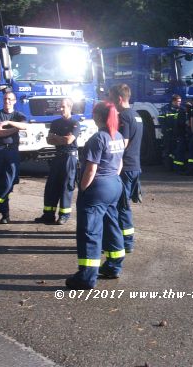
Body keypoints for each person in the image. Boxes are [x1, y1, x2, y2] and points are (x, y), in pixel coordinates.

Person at [65, 101, 125, 290]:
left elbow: (90, 169)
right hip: (114, 185)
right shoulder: (117, 136)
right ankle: (114, 266)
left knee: (89, 232)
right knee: (112, 225)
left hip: (97, 188)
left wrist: (83, 189)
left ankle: (86, 277)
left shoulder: (97, 139)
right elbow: (120, 164)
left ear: (98, 116)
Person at [109, 84, 143, 254]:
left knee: (122, 206)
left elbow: (123, 143)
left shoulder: (123, 117)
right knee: (124, 204)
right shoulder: (137, 115)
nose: (110, 102)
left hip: (125, 166)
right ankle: (124, 238)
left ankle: (127, 241)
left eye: (111, 98)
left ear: (119, 99)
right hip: (135, 166)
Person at [0, 90, 27, 224]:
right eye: (5, 99)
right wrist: (16, 128)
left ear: (14, 101)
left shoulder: (18, 115)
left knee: (9, 182)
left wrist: (10, 123)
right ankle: (5, 214)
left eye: (9, 99)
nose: (7, 101)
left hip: (12, 151)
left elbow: (25, 126)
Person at [36, 98, 80, 225]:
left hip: (69, 157)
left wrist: (57, 138)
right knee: (51, 186)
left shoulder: (75, 123)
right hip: (57, 156)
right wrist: (60, 138)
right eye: (60, 107)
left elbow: (69, 141)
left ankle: (64, 215)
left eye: (63, 107)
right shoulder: (55, 123)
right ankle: (48, 215)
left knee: (66, 186)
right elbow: (49, 140)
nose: (60, 109)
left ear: (69, 108)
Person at [159, 94, 181, 170]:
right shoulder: (165, 109)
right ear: (173, 101)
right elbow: (161, 120)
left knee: (176, 149)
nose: (179, 103)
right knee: (168, 149)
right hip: (168, 133)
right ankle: (168, 166)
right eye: (178, 101)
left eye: (180, 102)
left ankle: (174, 166)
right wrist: (167, 129)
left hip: (176, 133)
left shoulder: (180, 109)